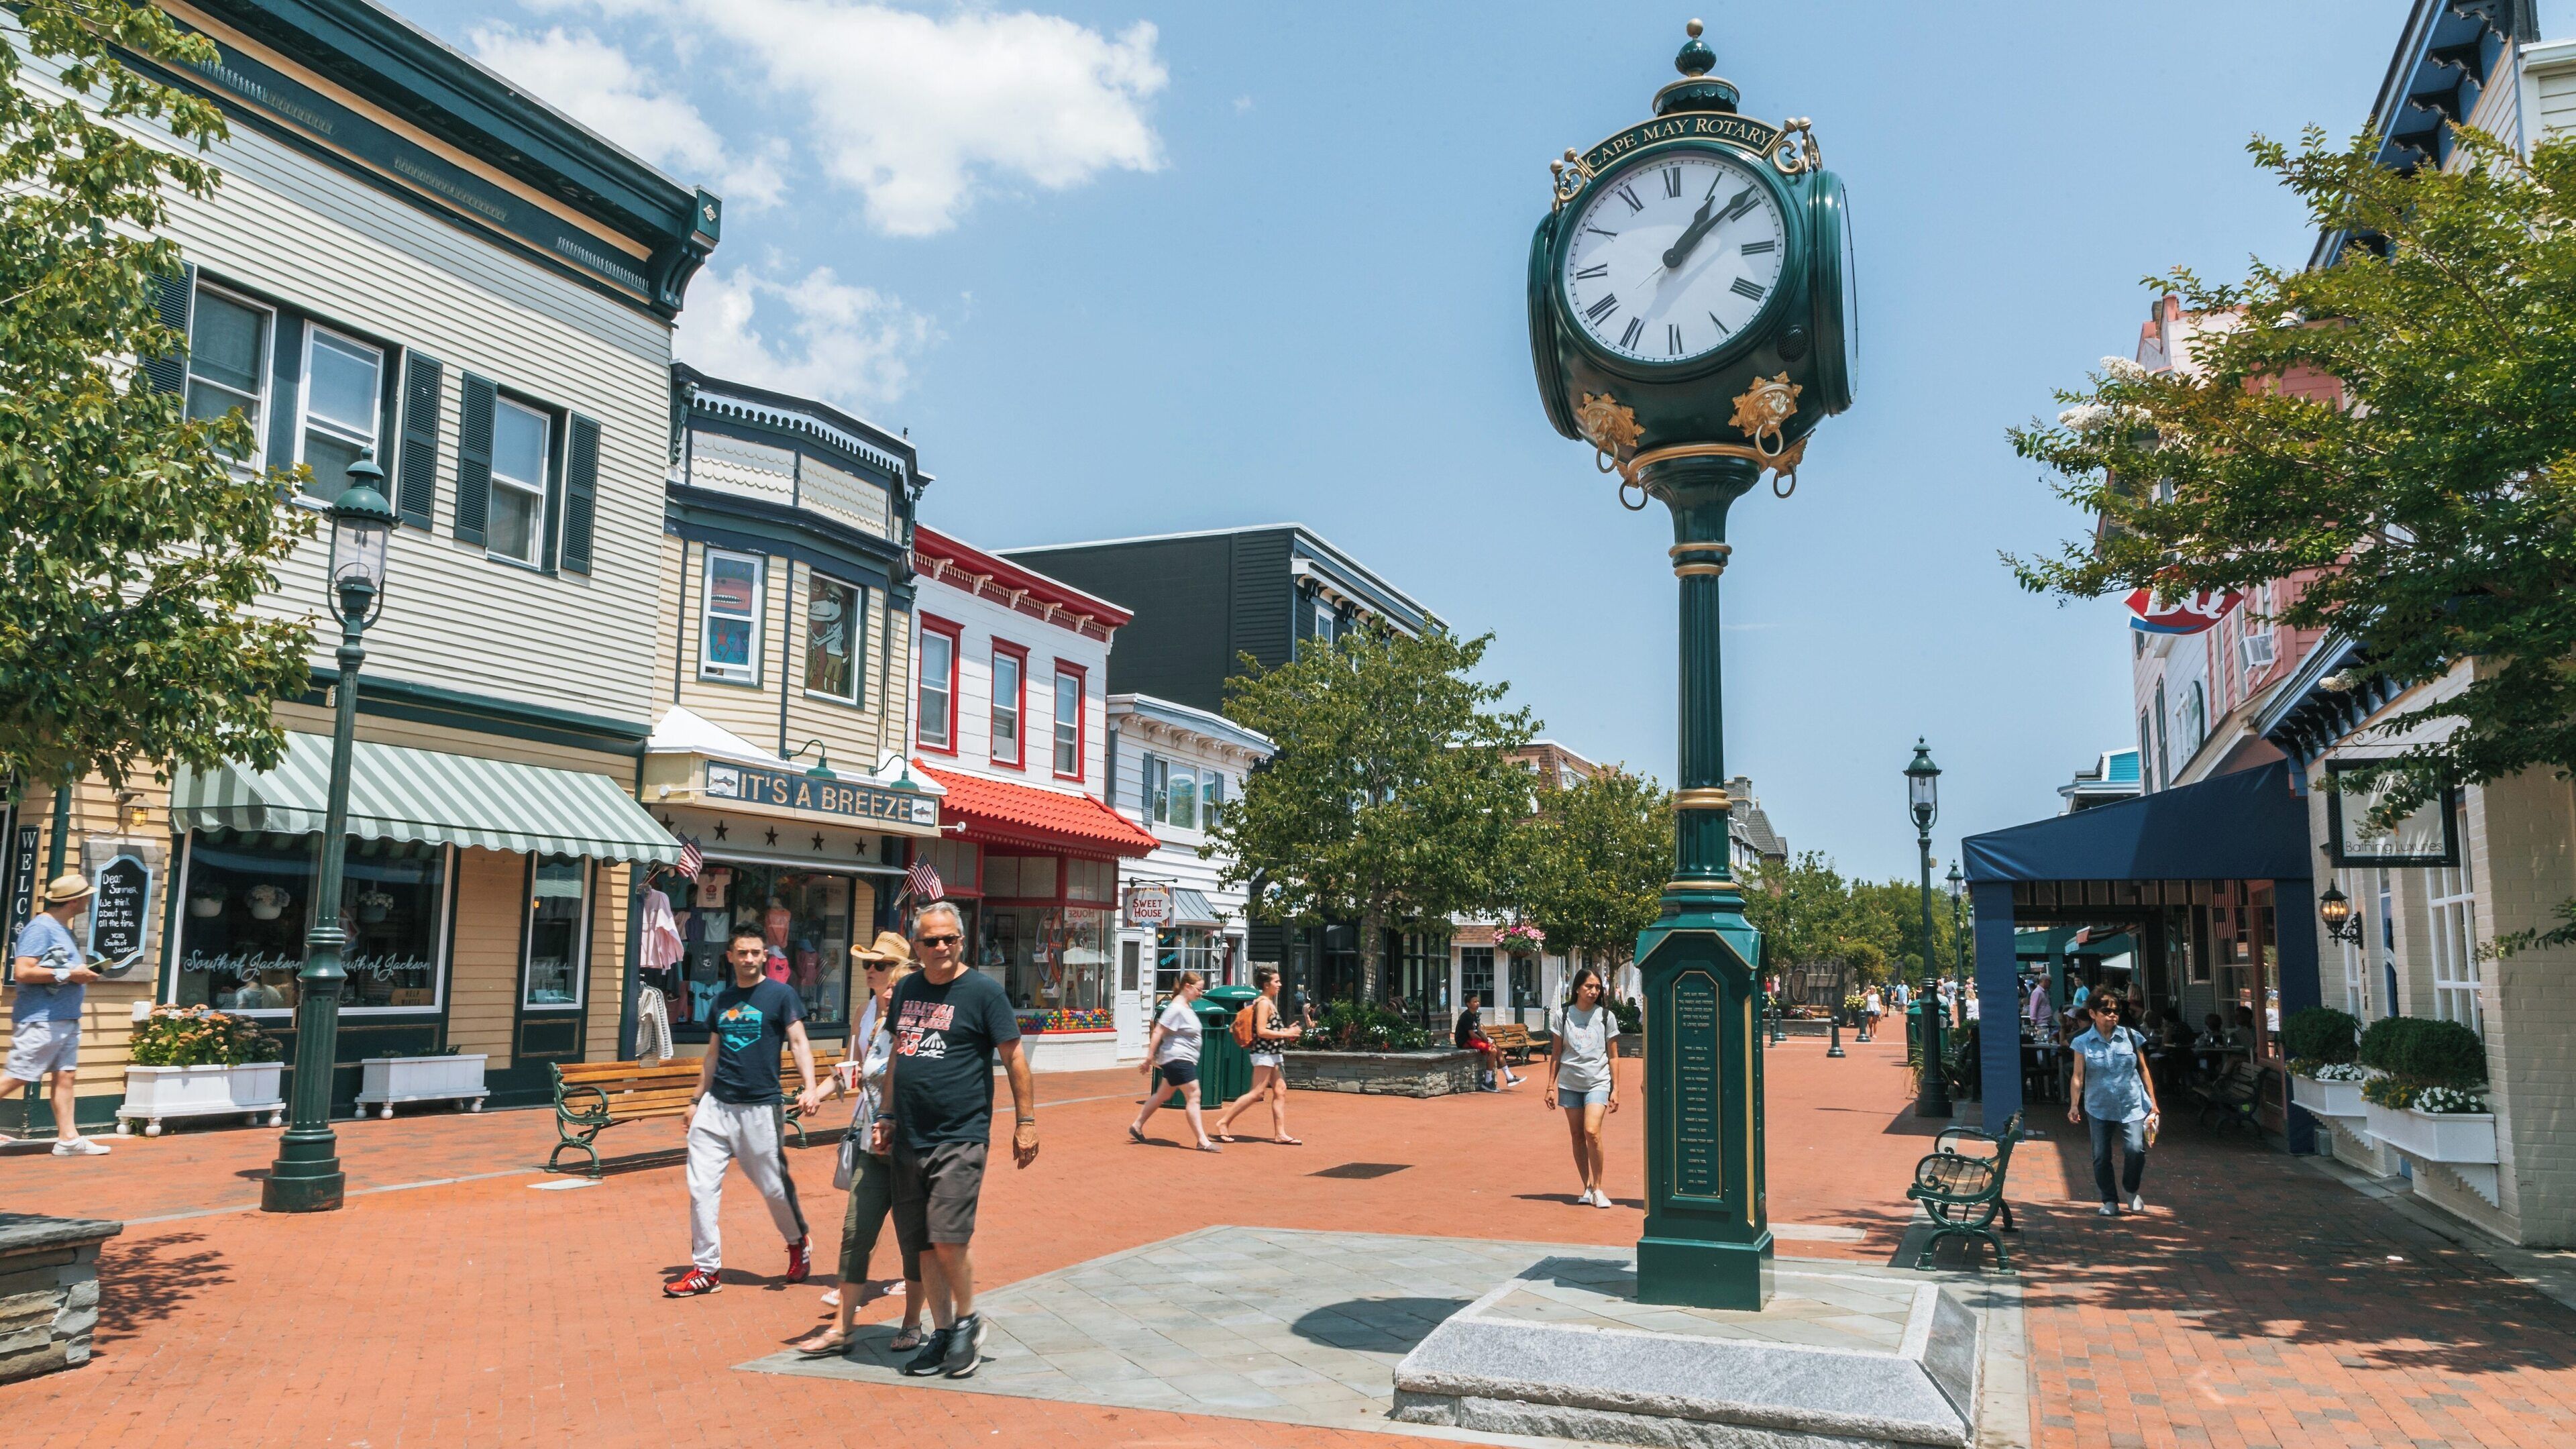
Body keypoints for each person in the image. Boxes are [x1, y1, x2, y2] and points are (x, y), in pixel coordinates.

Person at [875, 902, 1039, 1379]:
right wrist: (886, 1114)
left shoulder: (984, 993)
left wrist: (1026, 1121)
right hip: (910, 1136)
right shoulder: (906, 989)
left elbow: (1015, 1060)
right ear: (918, 946)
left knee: (947, 1236)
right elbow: (897, 1059)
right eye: (932, 940)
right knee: (923, 1244)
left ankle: (968, 1320)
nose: (942, 947)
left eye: (950, 938)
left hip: (960, 1136)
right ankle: (944, 1333)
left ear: (962, 941)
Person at [666, 928, 824, 1298]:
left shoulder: (781, 995)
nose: (750, 959)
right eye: (743, 953)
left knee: (772, 1187)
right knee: (701, 1187)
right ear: (731, 956)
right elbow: (712, 1055)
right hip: (717, 1106)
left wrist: (812, 1087)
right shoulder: (722, 1001)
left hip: (760, 1108)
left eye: (756, 953)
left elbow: (799, 1042)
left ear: (764, 957)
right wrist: (695, 1100)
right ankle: (706, 1269)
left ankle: (796, 1240)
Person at [793, 933, 925, 1357]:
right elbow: (855, 1070)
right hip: (871, 1144)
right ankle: (842, 1329)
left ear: (902, 976)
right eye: (869, 964)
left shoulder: (917, 1023)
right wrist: (820, 1091)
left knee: (912, 1239)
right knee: (855, 1232)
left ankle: (912, 1320)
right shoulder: (866, 1015)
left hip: (908, 1147)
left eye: (882, 966)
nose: (872, 972)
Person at [8, 874, 109, 1157]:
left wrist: (80, 975)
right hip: (41, 1017)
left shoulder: (63, 929)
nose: (89, 900)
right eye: (86, 896)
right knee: (19, 1075)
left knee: (65, 1075)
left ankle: (68, 1140)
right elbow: (23, 972)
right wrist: (70, 973)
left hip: (64, 1016)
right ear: (74, 901)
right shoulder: (40, 928)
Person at [2068, 995, 2160, 1216]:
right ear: (2093, 1014)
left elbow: (2144, 1069)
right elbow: (2078, 1075)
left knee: (2135, 1149)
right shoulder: (2082, 1041)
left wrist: (2153, 1103)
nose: (2112, 1015)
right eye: (2106, 1011)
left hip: (2132, 1103)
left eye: (2116, 1011)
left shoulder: (2131, 1036)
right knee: (2100, 1155)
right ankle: (2109, 1200)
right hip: (2099, 1105)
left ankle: (2131, 1190)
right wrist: (2074, 1105)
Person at [1544, 966, 1620, 1209]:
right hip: (1570, 1082)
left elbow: (1614, 1056)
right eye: (1589, 986)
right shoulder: (1562, 1015)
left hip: (1598, 1081)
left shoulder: (1606, 1016)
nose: (1594, 991)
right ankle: (1587, 1186)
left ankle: (1599, 1188)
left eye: (1597, 987)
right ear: (1577, 988)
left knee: (1591, 1131)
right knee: (1577, 1136)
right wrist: (1550, 1087)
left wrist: (1615, 1089)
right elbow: (1556, 1053)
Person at [1128, 971, 1220, 1151]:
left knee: (1163, 1095)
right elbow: (1159, 1031)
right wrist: (1149, 1058)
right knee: (1194, 1094)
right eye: (1199, 989)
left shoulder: (1185, 1005)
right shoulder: (1176, 1007)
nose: (1201, 993)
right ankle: (1202, 1141)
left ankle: (1137, 1126)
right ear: (1188, 987)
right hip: (1178, 1058)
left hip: (1179, 1058)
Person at [1214, 966, 1303, 1144]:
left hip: (1274, 1053)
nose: (1280, 984)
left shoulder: (1268, 1002)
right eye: (1276, 981)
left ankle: (1280, 1134)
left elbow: (1271, 1029)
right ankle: (1223, 1122)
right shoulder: (1263, 1003)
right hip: (1264, 1054)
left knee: (1280, 1091)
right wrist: (1285, 1034)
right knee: (1256, 1093)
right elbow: (1262, 1031)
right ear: (1266, 984)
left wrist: (1287, 1030)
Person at [1454, 993, 1521, 1091]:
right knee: (1493, 1050)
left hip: (1473, 1040)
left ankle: (1509, 1077)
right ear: (1468, 1004)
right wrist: (1485, 1042)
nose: (1477, 1003)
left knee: (1497, 1049)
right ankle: (1488, 1081)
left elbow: (1479, 1031)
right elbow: (1472, 1035)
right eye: (1475, 1002)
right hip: (1465, 1041)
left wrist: (1487, 1040)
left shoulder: (1475, 1015)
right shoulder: (1466, 1016)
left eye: (1478, 1001)